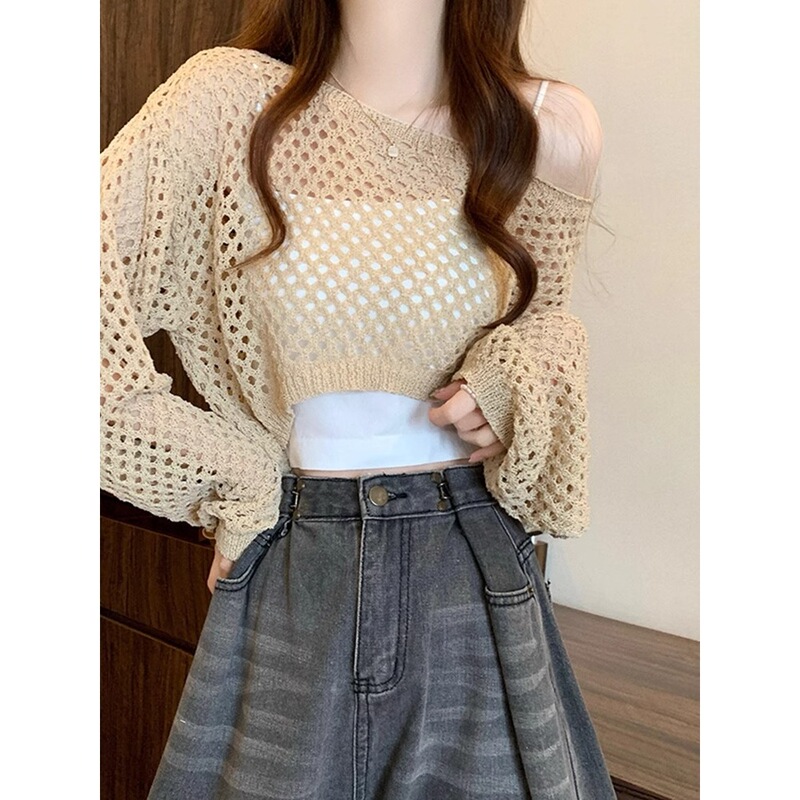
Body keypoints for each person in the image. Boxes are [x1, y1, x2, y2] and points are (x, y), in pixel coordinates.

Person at [100, 0, 615, 797]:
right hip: (296, 560)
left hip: (473, 567)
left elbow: (546, 322)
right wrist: (231, 475)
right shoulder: (222, 104)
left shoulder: (549, 126)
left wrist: (509, 381)